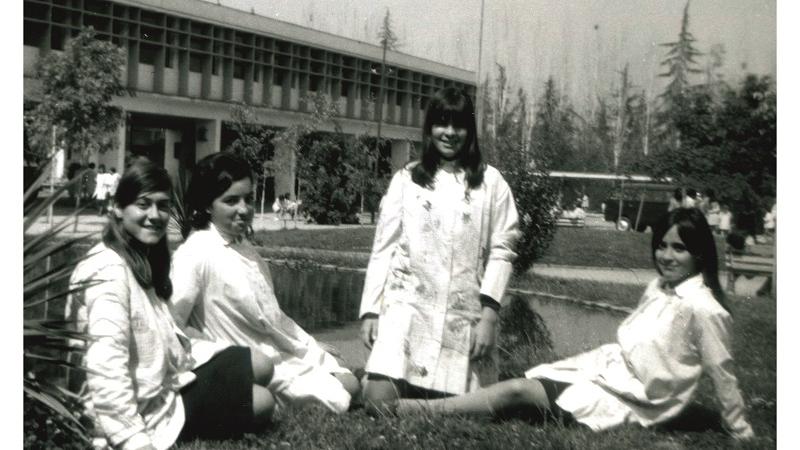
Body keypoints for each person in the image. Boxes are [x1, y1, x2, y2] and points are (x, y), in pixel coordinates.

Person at [398, 208, 754, 440]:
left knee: (518, 392)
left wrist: (739, 428)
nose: (666, 256)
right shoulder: (658, 288)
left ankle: (419, 409)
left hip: (633, 399)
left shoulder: (704, 308)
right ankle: (436, 397)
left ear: (700, 253)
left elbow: (722, 372)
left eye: (679, 248)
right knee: (532, 382)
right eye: (661, 245)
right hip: (607, 369)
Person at [67, 161, 276, 450]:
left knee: (262, 365)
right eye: (143, 205)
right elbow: (106, 365)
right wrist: (133, 439)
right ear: (117, 208)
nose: (155, 215)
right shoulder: (107, 271)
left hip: (165, 378)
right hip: (140, 402)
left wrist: (211, 351)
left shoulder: (142, 255)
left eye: (163, 206)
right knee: (264, 402)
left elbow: (166, 333)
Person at [359, 87, 521, 414]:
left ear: (470, 131)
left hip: (464, 314)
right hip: (408, 308)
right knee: (377, 404)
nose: (449, 133)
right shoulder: (407, 180)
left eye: (458, 125)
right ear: (429, 128)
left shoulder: (491, 183)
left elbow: (503, 250)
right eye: (441, 124)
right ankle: (403, 394)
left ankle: (428, 406)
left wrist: (488, 317)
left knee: (471, 412)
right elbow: (383, 248)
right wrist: (371, 311)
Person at [169, 152, 359, 414]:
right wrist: (215, 350)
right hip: (244, 359)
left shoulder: (246, 249)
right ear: (208, 205)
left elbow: (273, 317)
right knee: (342, 395)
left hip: (274, 351)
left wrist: (309, 344)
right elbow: (172, 323)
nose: (244, 209)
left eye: (248, 198)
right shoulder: (196, 252)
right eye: (231, 201)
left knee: (348, 381)